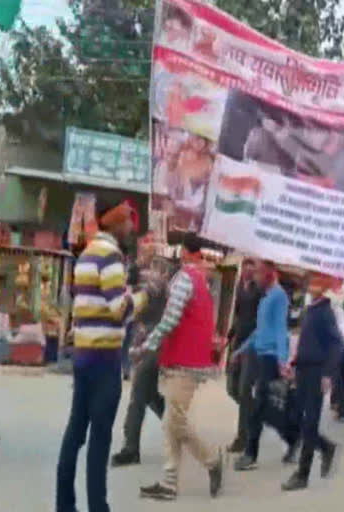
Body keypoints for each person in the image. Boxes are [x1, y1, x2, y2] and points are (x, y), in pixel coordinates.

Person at [56, 201, 146, 512]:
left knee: (75, 433)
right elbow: (118, 309)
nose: (132, 228)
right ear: (116, 222)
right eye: (129, 222)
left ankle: (64, 504)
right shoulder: (109, 255)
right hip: (104, 359)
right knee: (99, 439)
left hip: (83, 356)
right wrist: (145, 295)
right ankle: (98, 506)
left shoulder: (87, 253)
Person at [137, 234, 223, 501]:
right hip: (192, 360)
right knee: (171, 422)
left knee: (176, 422)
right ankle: (169, 482)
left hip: (182, 362)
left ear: (185, 252)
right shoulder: (203, 281)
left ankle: (211, 461)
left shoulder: (185, 278)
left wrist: (146, 345)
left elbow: (171, 318)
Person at [234, 260, 299, 471]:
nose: (255, 277)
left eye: (260, 273)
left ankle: (250, 454)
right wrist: (241, 349)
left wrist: (282, 360)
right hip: (260, 355)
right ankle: (292, 438)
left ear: (270, 274)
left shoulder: (279, 297)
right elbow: (259, 330)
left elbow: (281, 330)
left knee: (258, 406)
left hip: (270, 359)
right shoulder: (266, 297)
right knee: (268, 409)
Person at [281, 274, 343, 491]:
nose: (312, 285)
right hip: (303, 370)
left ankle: (302, 474)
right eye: (310, 281)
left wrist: (327, 374)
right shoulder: (311, 308)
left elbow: (337, 344)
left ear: (325, 286)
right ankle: (326, 447)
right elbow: (307, 341)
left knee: (310, 421)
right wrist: (293, 361)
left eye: (317, 281)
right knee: (296, 418)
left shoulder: (326, 311)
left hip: (317, 373)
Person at [111, 238, 169, 467]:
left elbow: (142, 303)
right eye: (141, 249)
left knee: (138, 395)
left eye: (147, 250)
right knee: (150, 395)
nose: (142, 254)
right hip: (143, 339)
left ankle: (130, 448)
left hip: (154, 341)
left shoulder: (156, 279)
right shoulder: (137, 274)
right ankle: (180, 430)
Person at [226, 258, 263, 453]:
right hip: (238, 340)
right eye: (246, 268)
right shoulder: (239, 286)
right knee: (231, 387)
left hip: (252, 345)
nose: (248, 272)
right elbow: (239, 313)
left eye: (252, 269)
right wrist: (232, 331)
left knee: (243, 389)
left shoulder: (259, 290)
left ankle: (242, 438)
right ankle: (254, 413)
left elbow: (261, 319)